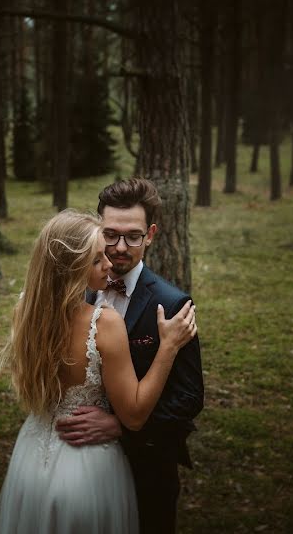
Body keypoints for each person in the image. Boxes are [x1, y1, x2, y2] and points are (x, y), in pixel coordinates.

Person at [0, 209, 197, 534]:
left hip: (29, 462)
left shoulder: (25, 310)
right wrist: (168, 346)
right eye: (97, 259)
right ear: (72, 267)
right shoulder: (104, 323)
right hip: (86, 470)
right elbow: (134, 415)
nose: (109, 264)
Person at [56, 178, 205, 534]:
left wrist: (121, 427)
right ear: (96, 229)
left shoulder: (172, 304)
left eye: (133, 236)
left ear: (150, 234)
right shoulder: (78, 290)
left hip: (147, 467)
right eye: (110, 234)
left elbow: (189, 397)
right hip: (79, 468)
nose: (120, 247)